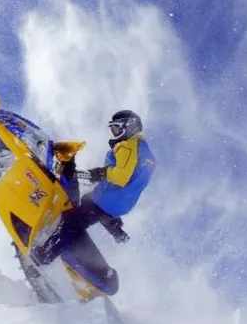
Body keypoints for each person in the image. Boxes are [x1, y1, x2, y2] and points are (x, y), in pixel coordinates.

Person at [32, 110, 156, 295]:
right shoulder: (146, 153)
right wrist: (97, 175)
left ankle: (44, 256)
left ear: (129, 127)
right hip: (121, 203)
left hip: (108, 199)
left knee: (72, 223)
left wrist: (102, 172)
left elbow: (121, 177)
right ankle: (115, 228)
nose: (114, 133)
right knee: (87, 201)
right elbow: (132, 178)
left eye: (117, 129)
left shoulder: (128, 146)